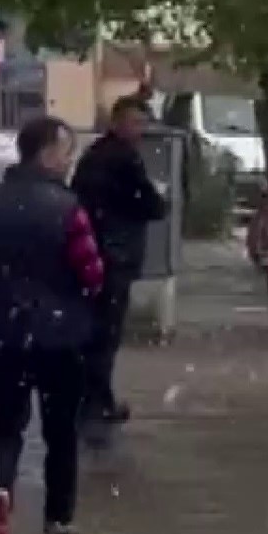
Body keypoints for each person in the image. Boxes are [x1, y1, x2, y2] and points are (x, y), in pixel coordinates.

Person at [0, 116, 105, 534]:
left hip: (2, 334)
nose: (69, 159)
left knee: (4, 429)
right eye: (65, 151)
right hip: (61, 339)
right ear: (45, 153)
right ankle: (58, 524)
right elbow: (92, 273)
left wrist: (3, 288)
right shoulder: (67, 208)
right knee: (60, 433)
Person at [70, 96, 169, 435]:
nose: (139, 131)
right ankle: (97, 402)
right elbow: (151, 205)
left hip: (93, 253)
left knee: (94, 329)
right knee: (106, 332)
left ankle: (88, 398)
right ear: (117, 122)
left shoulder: (95, 155)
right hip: (116, 254)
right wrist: (158, 198)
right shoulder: (124, 159)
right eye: (134, 123)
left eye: (142, 123)